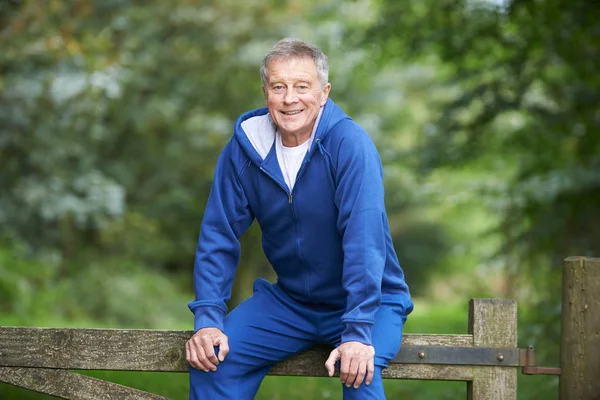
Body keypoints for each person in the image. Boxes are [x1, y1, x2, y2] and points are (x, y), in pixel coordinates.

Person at [186, 38, 413, 399]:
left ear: (324, 93)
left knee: (358, 372)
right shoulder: (245, 150)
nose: (290, 98)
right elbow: (218, 233)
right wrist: (208, 319)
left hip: (371, 303)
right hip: (290, 303)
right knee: (213, 362)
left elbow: (363, 239)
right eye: (279, 87)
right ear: (266, 94)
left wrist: (356, 331)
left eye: (302, 87)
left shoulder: (349, 144)